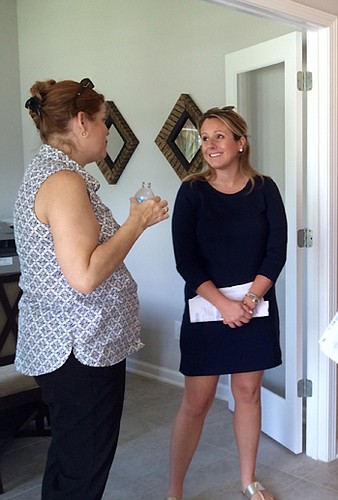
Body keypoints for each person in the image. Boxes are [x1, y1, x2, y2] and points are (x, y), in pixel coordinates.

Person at [14, 78, 169, 500]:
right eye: (103, 121)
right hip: (78, 350)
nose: (106, 131)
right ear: (81, 122)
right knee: (83, 470)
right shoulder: (63, 181)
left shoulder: (52, 173)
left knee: (70, 459)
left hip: (72, 347)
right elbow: (83, 275)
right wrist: (136, 221)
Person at [167, 106, 287, 500]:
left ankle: (249, 481)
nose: (210, 145)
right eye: (204, 137)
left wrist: (250, 299)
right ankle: (175, 490)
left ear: (241, 142)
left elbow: (276, 252)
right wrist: (223, 304)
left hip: (255, 308)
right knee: (197, 402)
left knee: (248, 394)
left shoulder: (265, 189)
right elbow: (185, 259)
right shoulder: (191, 192)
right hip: (207, 310)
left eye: (219, 136)